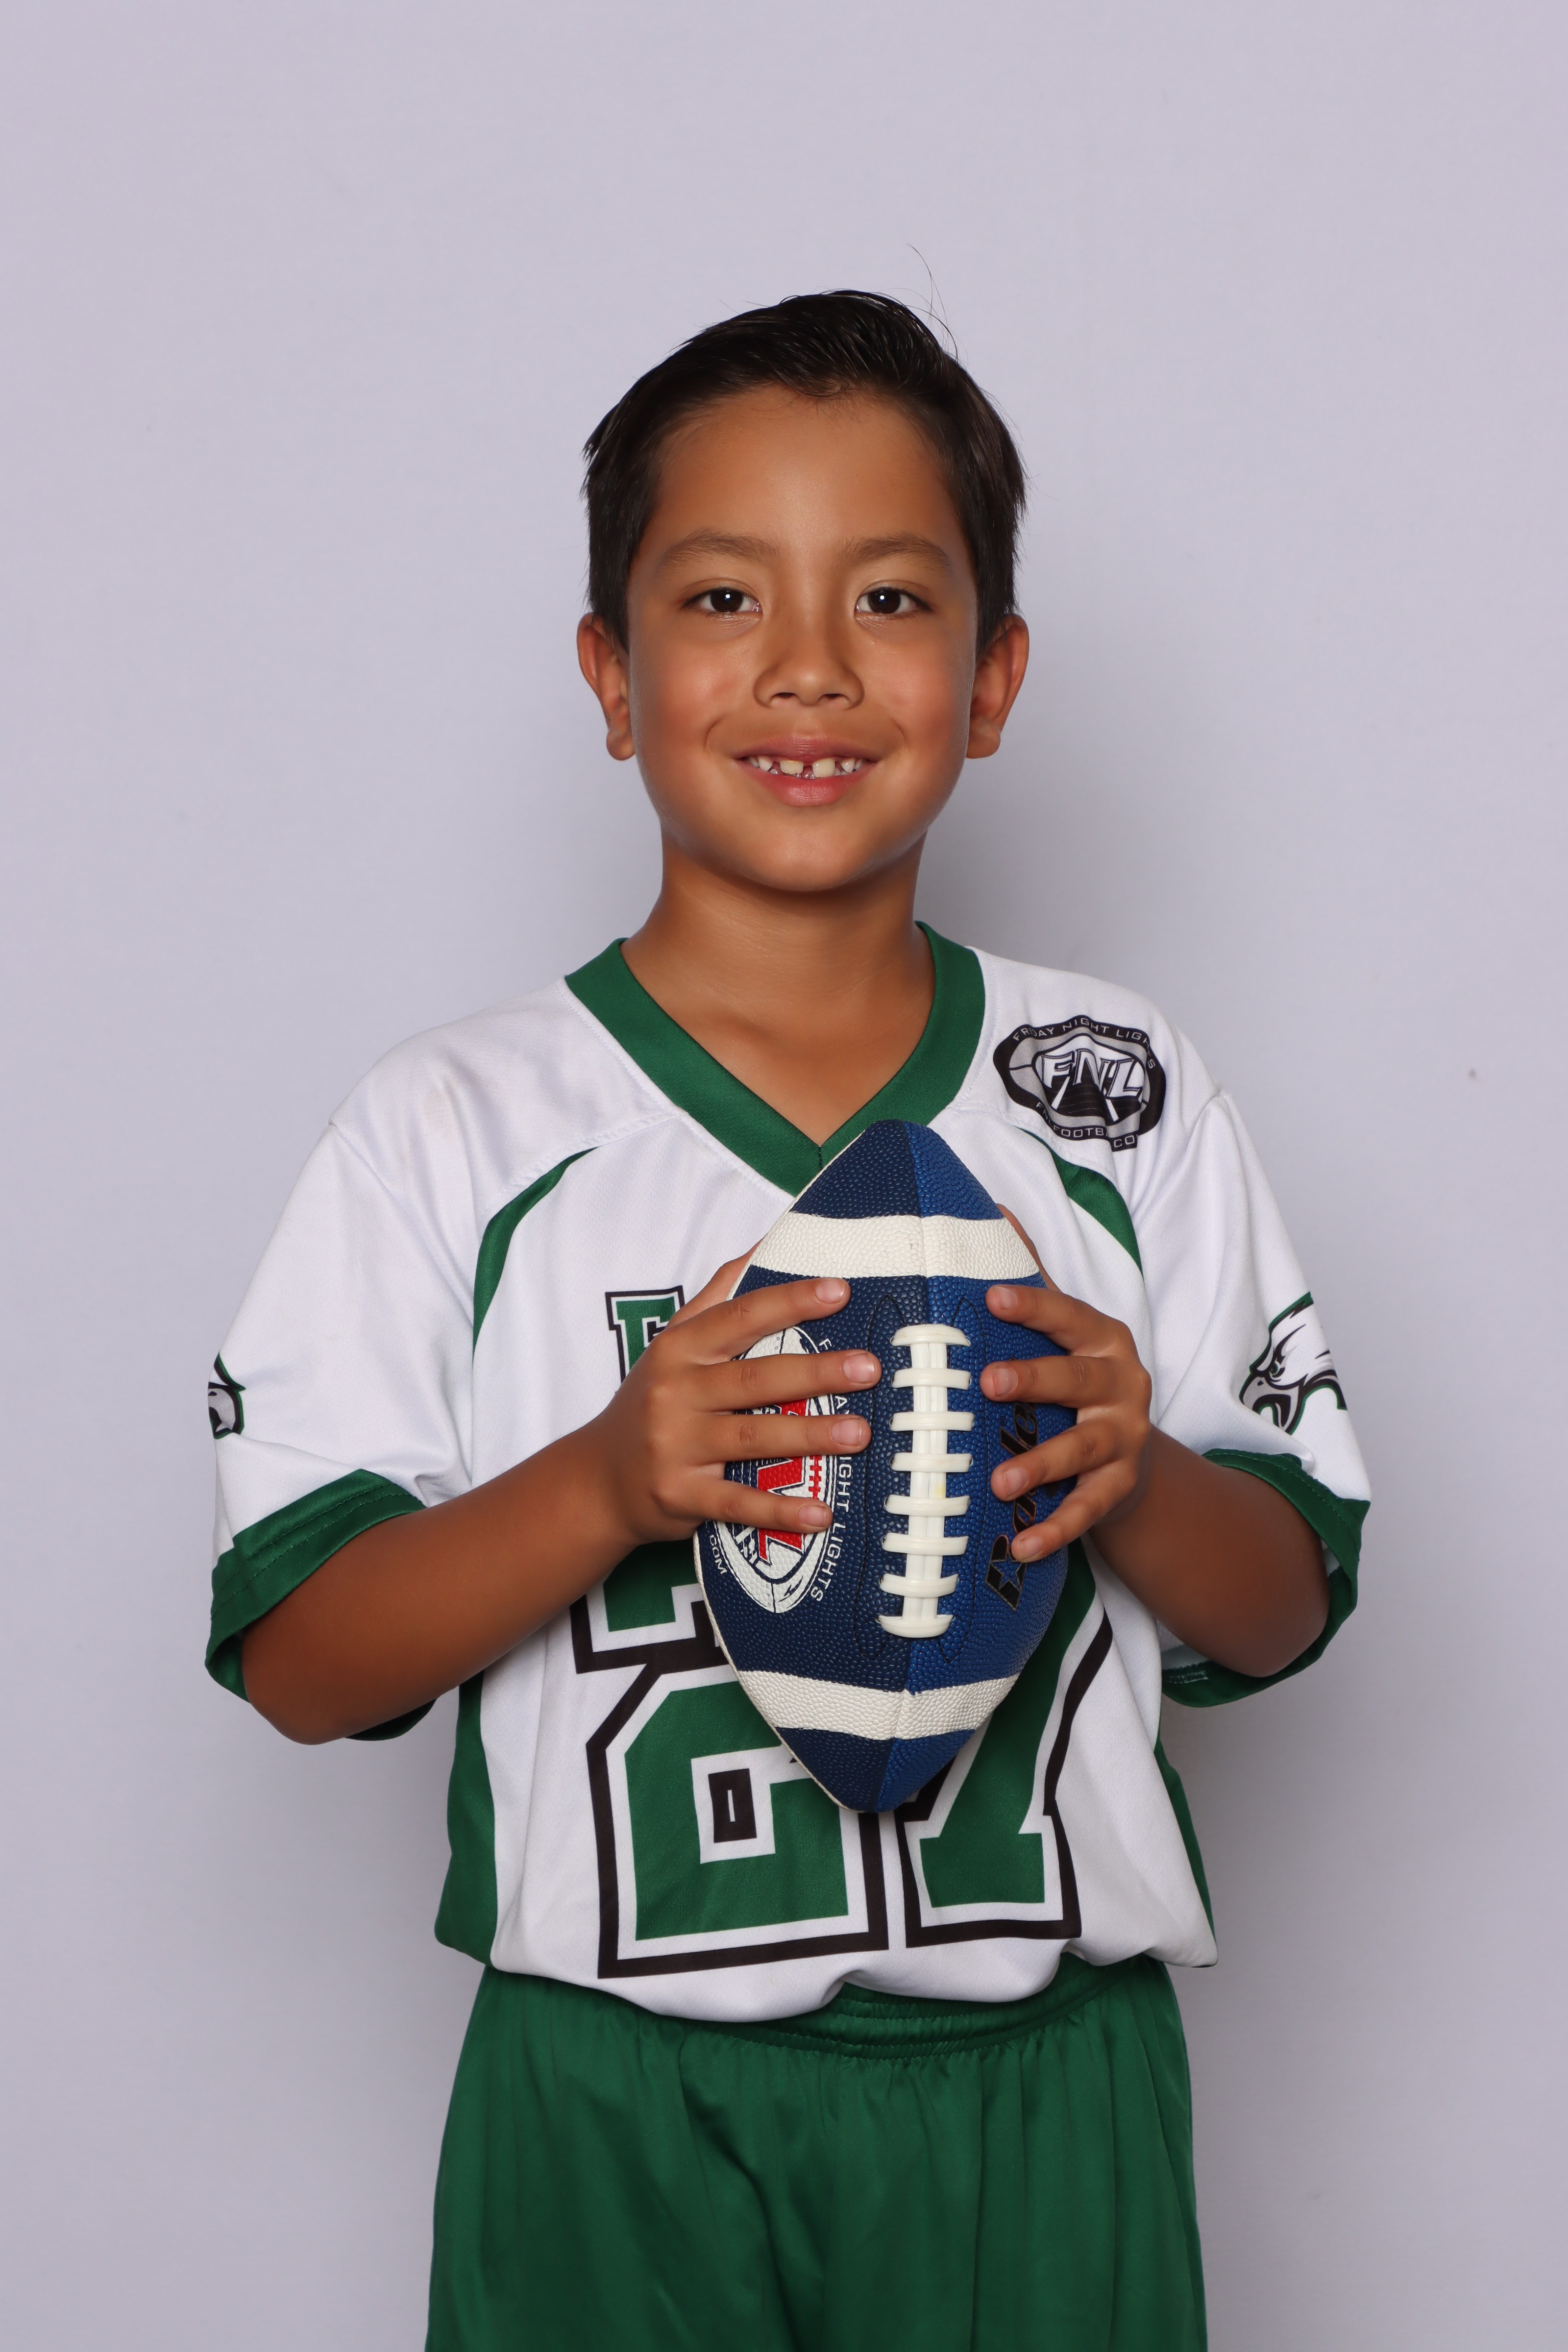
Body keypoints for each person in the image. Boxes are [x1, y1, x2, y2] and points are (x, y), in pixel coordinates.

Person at [205, 292, 1370, 2350]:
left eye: (892, 598)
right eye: (724, 594)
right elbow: (301, 1661)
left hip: (1044, 2086)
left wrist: (1133, 1475)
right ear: (610, 672)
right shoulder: (456, 1126)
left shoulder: (1113, 1091)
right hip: (609, 2102)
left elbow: (1282, 1612)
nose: (809, 664)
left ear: (992, 678)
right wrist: (604, 1481)